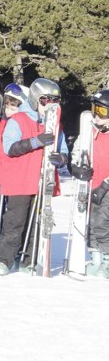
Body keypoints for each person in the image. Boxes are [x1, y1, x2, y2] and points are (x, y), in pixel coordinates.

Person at [0, 79, 67, 275]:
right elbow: (10, 148)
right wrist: (35, 142)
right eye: (44, 101)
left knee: (38, 222)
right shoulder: (18, 120)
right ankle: (3, 260)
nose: (49, 106)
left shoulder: (56, 125)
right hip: (20, 179)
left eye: (54, 101)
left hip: (42, 182)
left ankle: (29, 259)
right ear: (34, 99)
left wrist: (60, 158)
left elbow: (64, 150)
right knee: (15, 221)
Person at [71, 89, 109, 278]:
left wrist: (105, 185)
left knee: (103, 223)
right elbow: (78, 151)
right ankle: (96, 259)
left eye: (102, 112)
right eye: (95, 109)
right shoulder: (89, 132)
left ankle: (108, 261)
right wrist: (75, 167)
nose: (96, 115)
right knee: (91, 223)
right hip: (90, 185)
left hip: (107, 187)